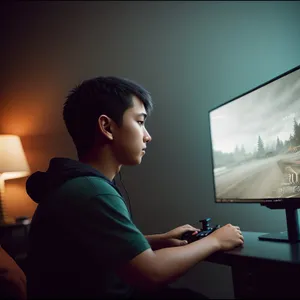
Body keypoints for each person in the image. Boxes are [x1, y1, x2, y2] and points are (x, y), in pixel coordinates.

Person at [25, 76, 244, 299]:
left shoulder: (77, 185)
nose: (147, 136)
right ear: (107, 127)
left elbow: (101, 246)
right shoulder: (92, 192)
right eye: (140, 122)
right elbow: (151, 272)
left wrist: (161, 239)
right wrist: (216, 240)